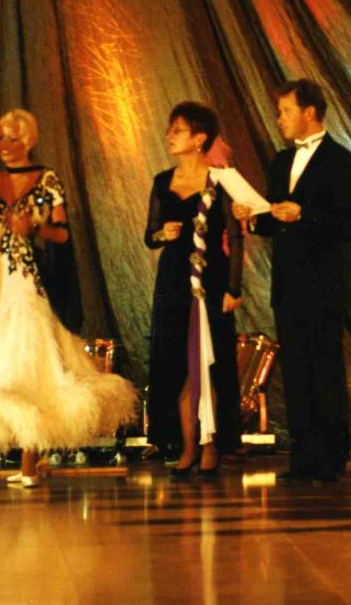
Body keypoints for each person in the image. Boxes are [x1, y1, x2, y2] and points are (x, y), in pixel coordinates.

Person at [0, 109, 137, 487]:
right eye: (1, 137)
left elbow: (61, 233)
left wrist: (33, 226)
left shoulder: (46, 179)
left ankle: (32, 460)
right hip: (0, 287)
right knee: (3, 367)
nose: (5, 145)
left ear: (29, 141)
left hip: (35, 285)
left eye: (13, 138)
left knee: (34, 368)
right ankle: (35, 454)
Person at [233, 80, 351, 482]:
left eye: (286, 111)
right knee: (296, 373)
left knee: (325, 370)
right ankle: (303, 458)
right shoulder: (280, 161)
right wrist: (253, 217)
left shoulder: (344, 162)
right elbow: (274, 220)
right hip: (289, 284)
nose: (280, 119)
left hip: (325, 284)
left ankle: (332, 459)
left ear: (309, 112)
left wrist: (304, 214)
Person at [144, 102, 243, 477]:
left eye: (178, 130)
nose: (169, 136)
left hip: (210, 281)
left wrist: (233, 287)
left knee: (209, 364)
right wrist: (162, 234)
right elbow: (149, 235)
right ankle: (187, 445)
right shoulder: (162, 181)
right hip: (173, 282)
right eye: (170, 129)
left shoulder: (221, 180)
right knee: (178, 365)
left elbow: (235, 235)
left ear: (200, 138)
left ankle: (211, 444)